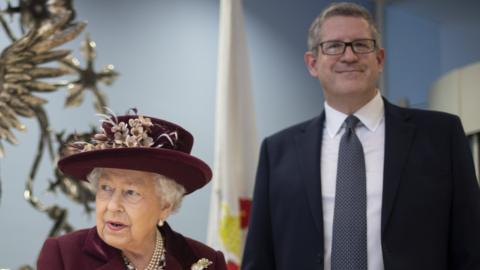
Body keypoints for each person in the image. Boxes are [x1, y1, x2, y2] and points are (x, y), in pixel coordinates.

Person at [242, 2, 480, 270]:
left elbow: (471, 246)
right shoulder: (277, 152)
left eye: (360, 44)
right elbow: (259, 258)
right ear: (312, 63)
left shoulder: (441, 136)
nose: (349, 56)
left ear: (379, 59)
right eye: (333, 46)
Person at [37, 111, 227, 270]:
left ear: (166, 205)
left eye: (130, 192)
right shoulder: (62, 256)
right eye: (106, 188)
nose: (113, 206)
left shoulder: (206, 261)